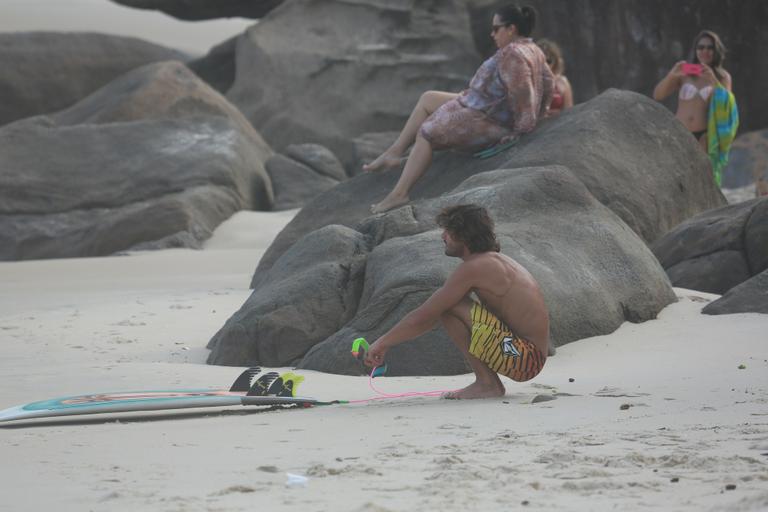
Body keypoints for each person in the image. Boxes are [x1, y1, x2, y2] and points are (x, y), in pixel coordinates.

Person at [363, 4, 553, 214]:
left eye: (496, 28)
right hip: (478, 101)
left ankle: (399, 194)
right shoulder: (533, 49)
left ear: (511, 29)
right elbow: (549, 81)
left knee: (427, 132)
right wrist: (543, 112)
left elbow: (523, 92)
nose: (492, 34)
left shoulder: (513, 53)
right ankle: (394, 152)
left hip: (486, 117)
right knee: (428, 98)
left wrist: (522, 129)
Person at [364, 205, 550, 400]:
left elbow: (424, 316)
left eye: (448, 231)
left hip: (524, 360)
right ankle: (487, 382)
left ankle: (487, 384)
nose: (443, 236)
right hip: (522, 355)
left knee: (449, 305)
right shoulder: (492, 261)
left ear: (463, 236)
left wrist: (382, 343)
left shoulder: (476, 267)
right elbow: (428, 318)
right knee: (447, 305)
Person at [653, 30, 733, 152]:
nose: (705, 51)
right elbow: (658, 95)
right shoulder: (685, 73)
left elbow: (727, 107)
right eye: (700, 47)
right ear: (695, 50)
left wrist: (713, 80)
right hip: (679, 132)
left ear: (716, 50)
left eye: (710, 48)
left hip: (704, 137)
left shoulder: (722, 76)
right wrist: (671, 75)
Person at [536, 38, 573, 115]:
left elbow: (569, 112)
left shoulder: (562, 82)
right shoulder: (529, 80)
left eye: (548, 61)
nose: (545, 65)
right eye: (541, 61)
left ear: (555, 62)